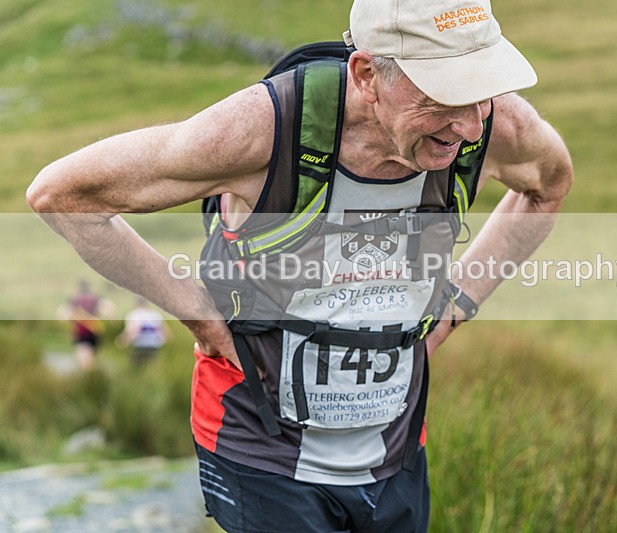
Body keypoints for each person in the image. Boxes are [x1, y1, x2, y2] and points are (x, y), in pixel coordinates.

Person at [27, 0, 572, 530]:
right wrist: (194, 310)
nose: (471, 127)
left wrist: (457, 304)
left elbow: (550, 185)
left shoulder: (496, 126)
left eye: (480, 91)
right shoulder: (263, 131)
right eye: (446, 95)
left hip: (396, 444)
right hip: (260, 442)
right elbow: (61, 194)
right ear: (366, 74)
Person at [56, 279, 114, 371]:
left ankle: (86, 373)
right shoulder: (95, 298)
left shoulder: (74, 299)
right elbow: (108, 308)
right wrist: (112, 319)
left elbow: (63, 312)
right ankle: (90, 373)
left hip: (81, 330)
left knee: (82, 353)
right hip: (95, 329)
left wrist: (63, 320)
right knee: (91, 353)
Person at [119, 296, 169, 365]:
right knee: (152, 366)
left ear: (136, 303)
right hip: (154, 346)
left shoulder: (133, 315)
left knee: (136, 366)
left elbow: (130, 330)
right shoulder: (156, 315)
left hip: (139, 346)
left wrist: (123, 340)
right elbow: (166, 333)